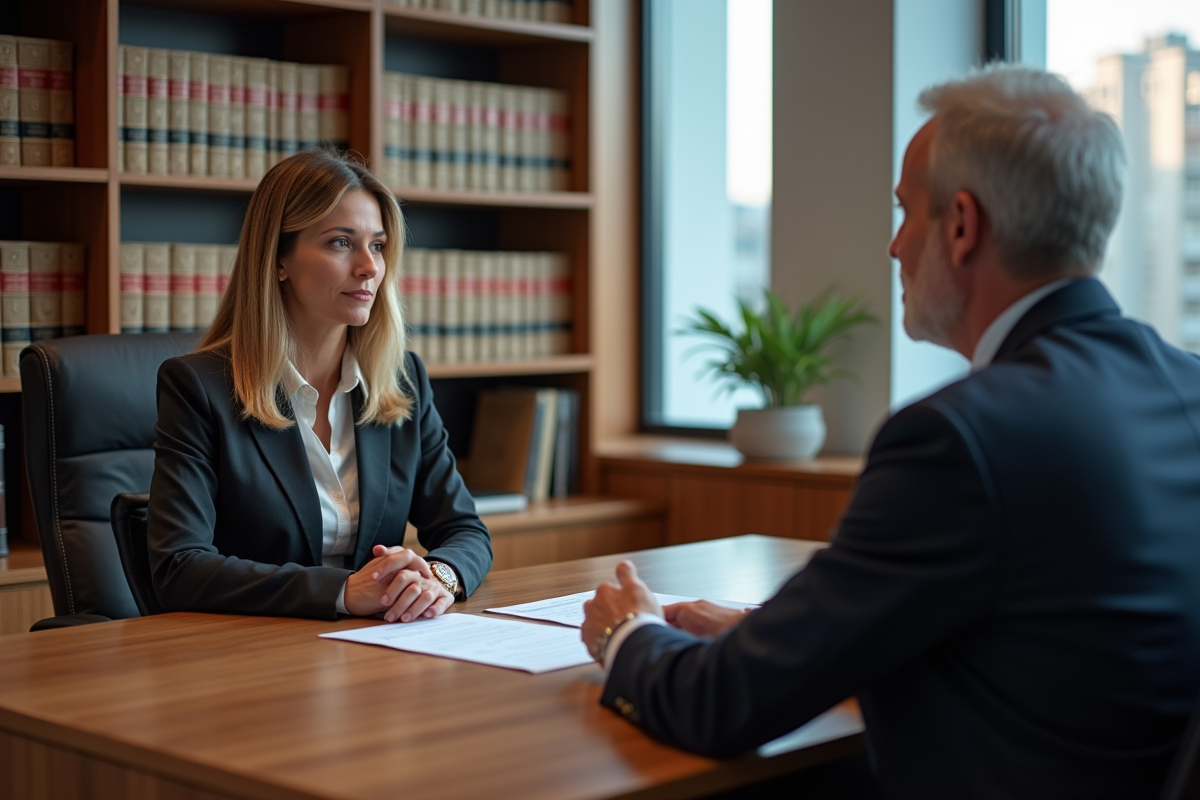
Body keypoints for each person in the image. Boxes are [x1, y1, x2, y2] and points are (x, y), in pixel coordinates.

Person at [581, 65, 1200, 799]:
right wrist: (766, 630)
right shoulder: (1183, 386)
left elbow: (722, 707)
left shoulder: (958, 439)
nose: (894, 246)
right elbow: (1052, 630)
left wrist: (629, 634)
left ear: (963, 226)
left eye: (906, 211)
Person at [148, 148, 492, 622]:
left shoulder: (401, 380)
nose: (369, 267)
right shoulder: (198, 388)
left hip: (379, 646)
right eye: (339, 243)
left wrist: (438, 579)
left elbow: (464, 530)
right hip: (250, 654)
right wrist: (344, 592)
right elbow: (178, 568)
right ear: (279, 259)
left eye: (377, 245)